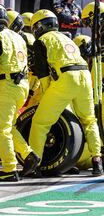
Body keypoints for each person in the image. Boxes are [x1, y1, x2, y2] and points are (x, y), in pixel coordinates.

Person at [29, 9, 103, 176]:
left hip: (65, 78)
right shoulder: (67, 37)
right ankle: (97, 160)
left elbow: (43, 74)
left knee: (40, 123)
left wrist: (48, 97)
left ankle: (35, 163)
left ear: (38, 27)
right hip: (84, 76)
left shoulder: (41, 41)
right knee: (89, 120)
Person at [0, 3, 40, 181]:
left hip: (8, 87)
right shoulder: (18, 37)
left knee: (0, 130)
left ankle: (9, 169)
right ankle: (29, 156)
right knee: (9, 127)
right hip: (22, 86)